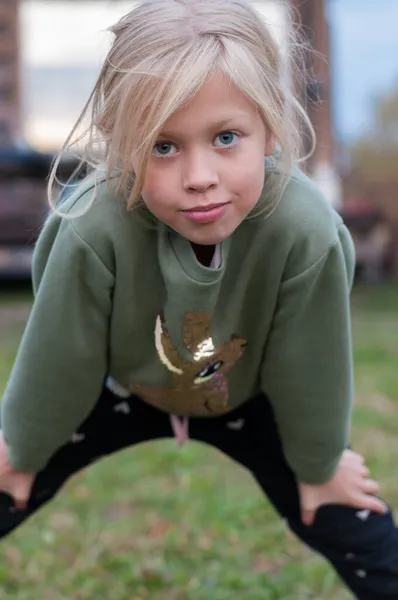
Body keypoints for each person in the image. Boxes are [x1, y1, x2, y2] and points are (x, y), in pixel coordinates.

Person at [0, 0, 397, 596]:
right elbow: (62, 357)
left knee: (354, 520)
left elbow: (310, 366)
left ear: (270, 125)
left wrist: (318, 468)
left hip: (249, 397)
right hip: (115, 390)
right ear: (124, 143)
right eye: (163, 146)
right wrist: (22, 448)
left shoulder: (305, 232)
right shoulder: (92, 227)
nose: (199, 175)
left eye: (226, 138)